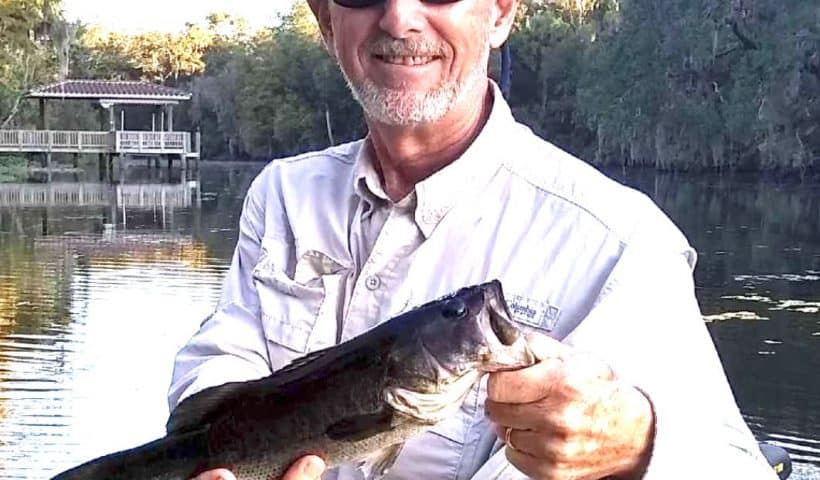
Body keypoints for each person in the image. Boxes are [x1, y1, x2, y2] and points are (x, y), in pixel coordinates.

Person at [170, 0, 778, 479]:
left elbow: (737, 467)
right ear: (327, 19)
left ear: (502, 12)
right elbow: (226, 357)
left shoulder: (621, 240)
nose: (400, 16)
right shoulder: (282, 194)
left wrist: (637, 444)